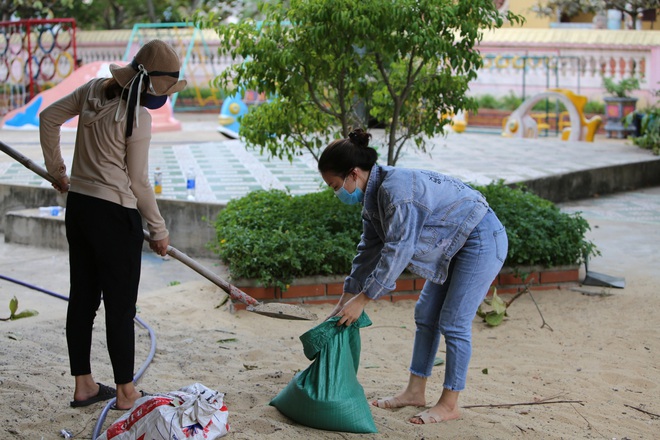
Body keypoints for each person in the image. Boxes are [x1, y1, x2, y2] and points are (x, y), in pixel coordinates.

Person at [317, 129, 508, 425]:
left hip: (480, 238)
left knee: (453, 321)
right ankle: (415, 392)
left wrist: (364, 300)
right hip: (452, 243)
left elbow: (398, 250)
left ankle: (449, 404)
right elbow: (368, 249)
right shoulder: (372, 198)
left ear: (353, 174)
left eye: (335, 185)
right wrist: (346, 297)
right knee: (425, 314)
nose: (336, 192)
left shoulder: (397, 193)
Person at [39, 39, 186, 410]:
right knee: (121, 308)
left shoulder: (92, 91)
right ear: (154, 88)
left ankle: (84, 385)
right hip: (115, 216)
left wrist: (57, 171)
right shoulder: (140, 117)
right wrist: (159, 229)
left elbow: (48, 118)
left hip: (80, 209)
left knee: (83, 299)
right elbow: (138, 182)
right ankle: (125, 392)